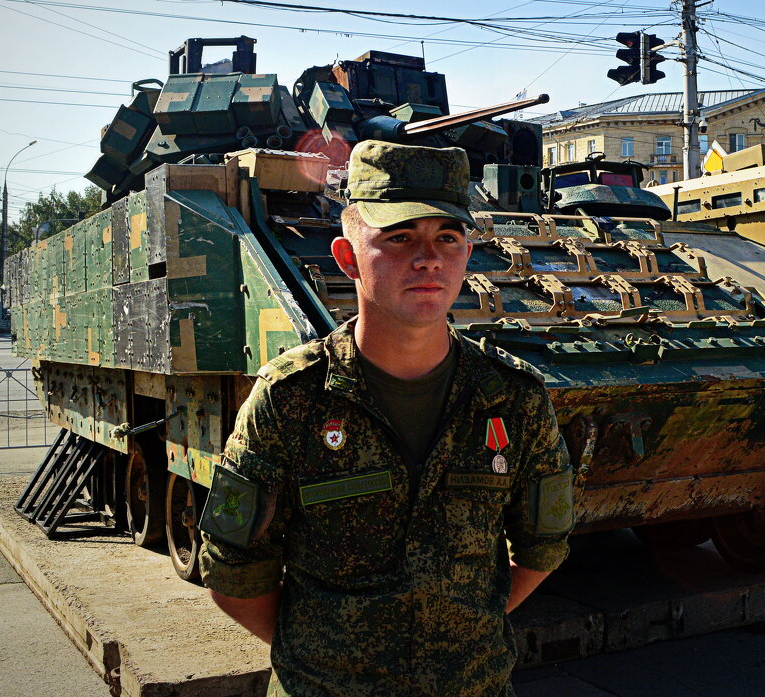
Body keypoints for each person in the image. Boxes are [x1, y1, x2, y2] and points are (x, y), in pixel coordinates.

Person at [198, 139, 574, 697]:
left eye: (448, 237)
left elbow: (545, 544)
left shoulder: (512, 398)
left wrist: (462, 637)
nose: (429, 259)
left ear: (467, 256)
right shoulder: (291, 399)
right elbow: (234, 572)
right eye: (399, 238)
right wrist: (328, 654)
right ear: (347, 257)